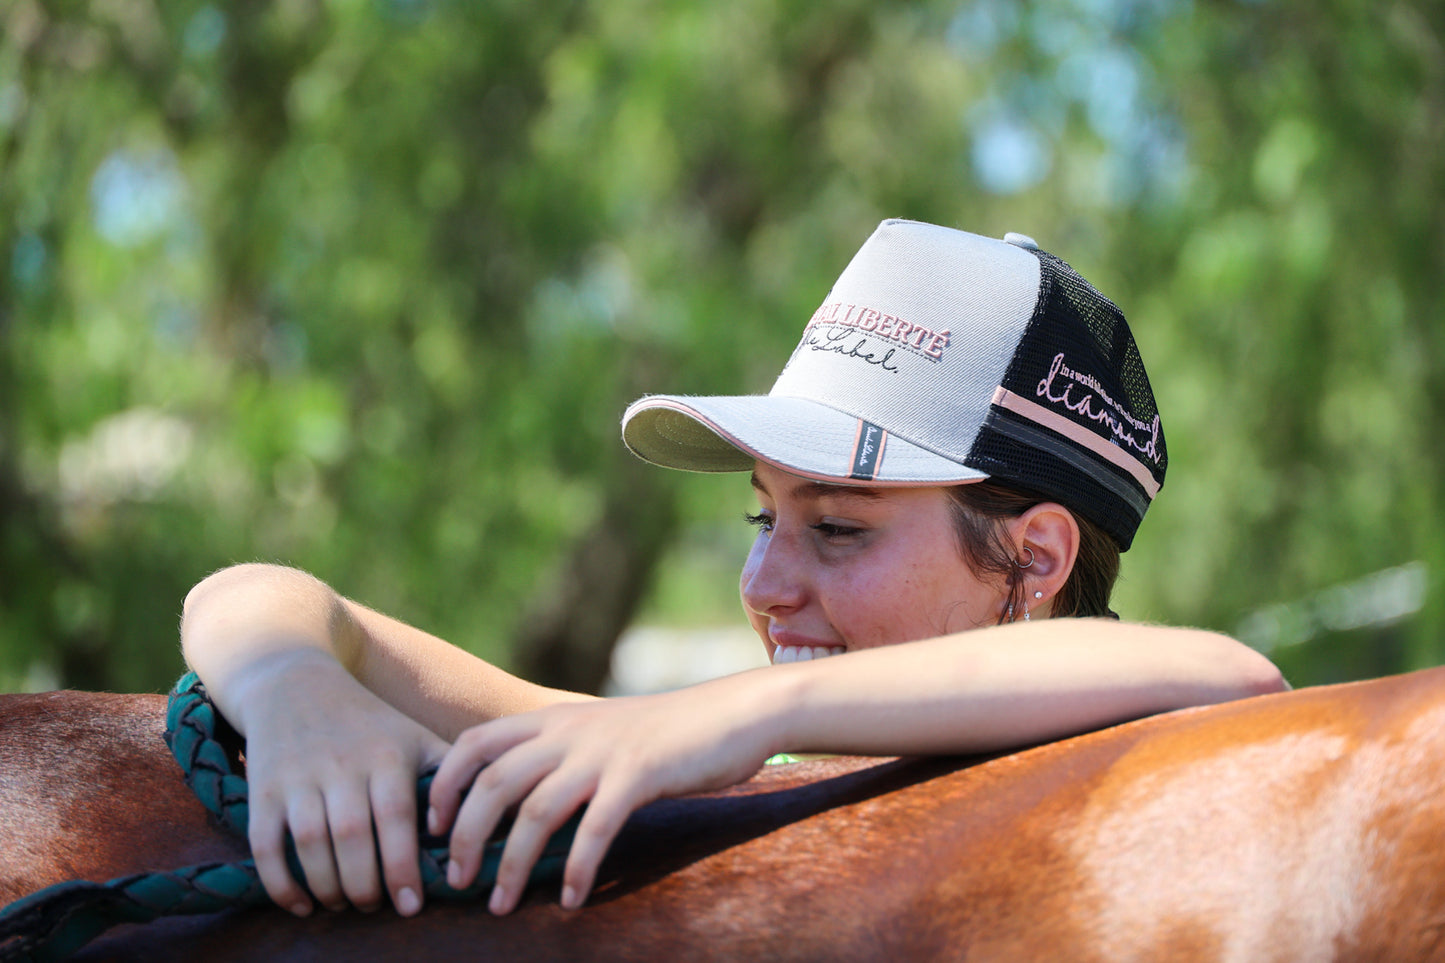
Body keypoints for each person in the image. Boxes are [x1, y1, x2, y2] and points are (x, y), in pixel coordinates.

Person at [181, 219, 1286, 923]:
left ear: (1033, 556)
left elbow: (1228, 676)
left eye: (839, 528)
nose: (761, 583)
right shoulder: (734, 780)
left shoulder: (1149, 769)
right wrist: (294, 694)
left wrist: (753, 709)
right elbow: (259, 598)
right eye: (763, 516)